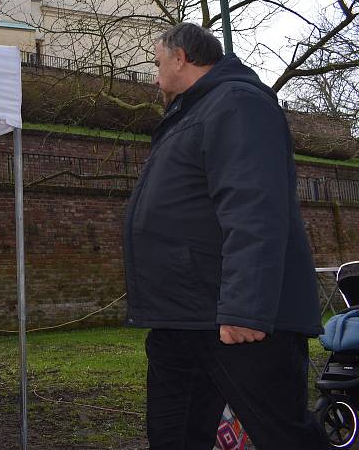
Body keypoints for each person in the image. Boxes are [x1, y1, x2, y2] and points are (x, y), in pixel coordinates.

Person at [123, 23, 327, 449]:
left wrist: (245, 308)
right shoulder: (191, 113)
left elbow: (253, 206)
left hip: (230, 316)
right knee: (173, 435)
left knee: (283, 435)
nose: (155, 74)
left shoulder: (236, 103)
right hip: (182, 316)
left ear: (181, 57)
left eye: (158, 62)